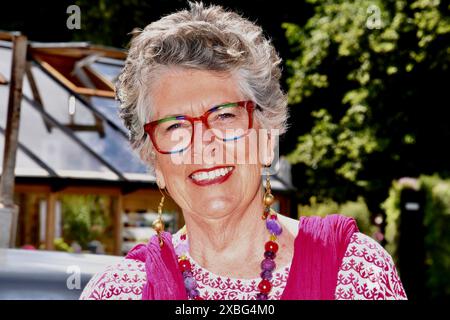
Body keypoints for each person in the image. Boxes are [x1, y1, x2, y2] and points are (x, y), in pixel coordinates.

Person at [80, 2, 406, 300]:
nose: (203, 144)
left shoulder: (352, 273)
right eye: (175, 126)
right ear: (155, 162)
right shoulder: (120, 292)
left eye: (224, 116)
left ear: (266, 139)